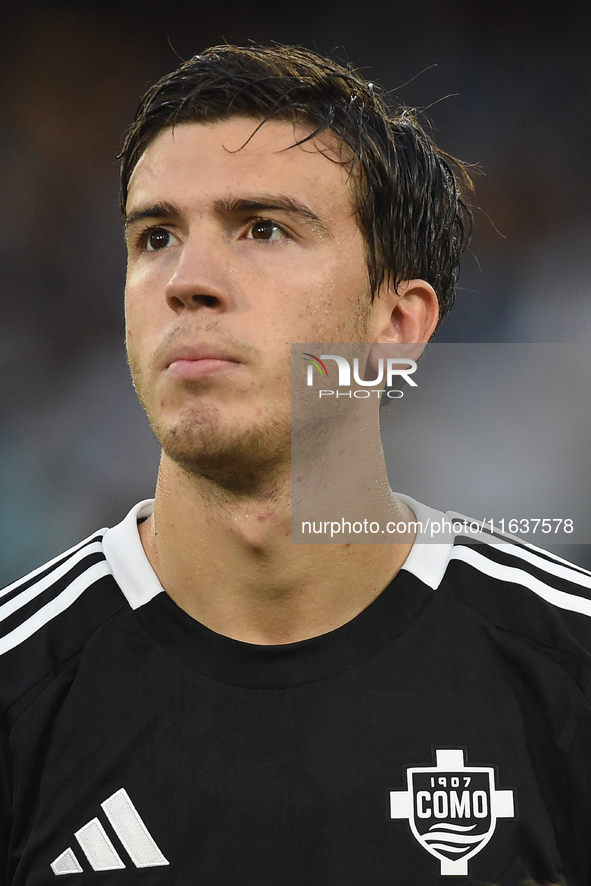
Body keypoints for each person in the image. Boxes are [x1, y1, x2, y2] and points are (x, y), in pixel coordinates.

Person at [2, 44, 591, 886]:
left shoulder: (566, 669)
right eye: (156, 235)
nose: (186, 280)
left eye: (264, 228)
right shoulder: (20, 688)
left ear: (395, 325)